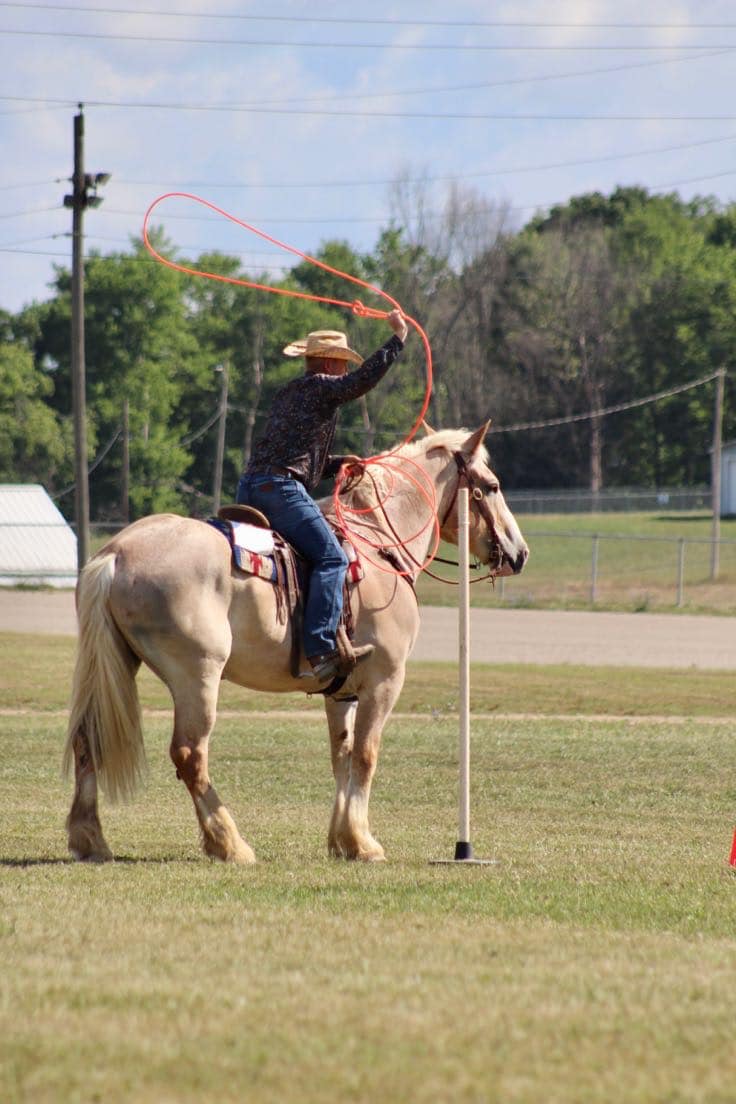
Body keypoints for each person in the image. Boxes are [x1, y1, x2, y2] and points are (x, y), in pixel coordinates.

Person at [236, 308, 409, 683]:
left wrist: (334, 464)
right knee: (332, 558)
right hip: (280, 491)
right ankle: (320, 649)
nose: (345, 372)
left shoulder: (290, 392)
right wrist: (397, 340)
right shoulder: (320, 387)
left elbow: (292, 453)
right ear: (330, 363)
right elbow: (361, 382)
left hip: (251, 485)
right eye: (342, 364)